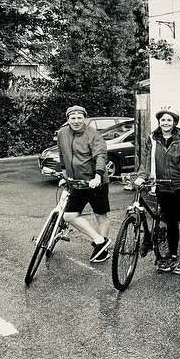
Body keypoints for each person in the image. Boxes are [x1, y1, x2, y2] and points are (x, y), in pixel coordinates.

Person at [134, 106, 180, 274]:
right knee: (170, 222)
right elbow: (146, 160)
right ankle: (172, 254)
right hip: (162, 187)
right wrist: (142, 176)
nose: (165, 123)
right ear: (159, 121)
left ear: (175, 122)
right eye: (163, 119)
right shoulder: (152, 139)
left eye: (169, 119)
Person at [55, 105, 111, 263]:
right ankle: (100, 241)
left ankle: (102, 251)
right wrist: (65, 174)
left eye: (80, 117)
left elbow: (101, 155)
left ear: (84, 118)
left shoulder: (93, 134)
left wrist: (98, 175)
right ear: (68, 119)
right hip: (76, 183)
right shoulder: (62, 133)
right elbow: (62, 153)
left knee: (100, 215)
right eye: (73, 118)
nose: (76, 121)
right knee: (69, 216)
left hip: (95, 182)